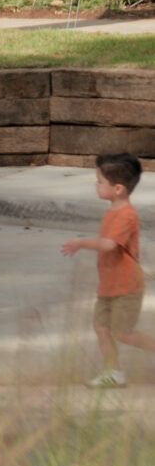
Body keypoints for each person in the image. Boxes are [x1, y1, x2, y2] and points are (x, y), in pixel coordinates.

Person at [67, 152, 154, 387]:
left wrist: (81, 242)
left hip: (126, 287)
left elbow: (108, 245)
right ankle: (113, 372)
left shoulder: (127, 215)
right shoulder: (113, 211)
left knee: (123, 333)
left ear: (118, 189)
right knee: (101, 327)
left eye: (99, 181)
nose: (96, 186)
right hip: (108, 286)